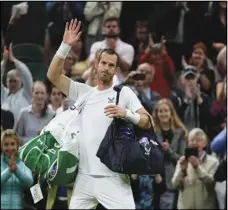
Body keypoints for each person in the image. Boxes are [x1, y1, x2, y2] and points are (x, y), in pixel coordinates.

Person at [47, 18, 151, 209]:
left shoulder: (124, 93)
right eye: (103, 63)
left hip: (114, 178)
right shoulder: (83, 92)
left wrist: (126, 113)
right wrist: (65, 45)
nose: (106, 67)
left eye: (111, 65)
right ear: (96, 64)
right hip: (84, 178)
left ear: (115, 70)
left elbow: (147, 121)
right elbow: (53, 76)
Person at [152, 99, 188, 209]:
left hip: (174, 178)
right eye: (160, 111)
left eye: (166, 111)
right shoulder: (151, 132)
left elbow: (183, 158)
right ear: (156, 114)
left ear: (171, 113)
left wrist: (168, 151)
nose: (163, 114)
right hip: (155, 178)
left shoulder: (180, 132)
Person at [171, 128, 219, 209]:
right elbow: (174, 185)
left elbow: (212, 185)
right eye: (192, 140)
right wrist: (182, 172)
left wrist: (197, 167)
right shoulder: (182, 161)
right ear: (188, 143)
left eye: (198, 140)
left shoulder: (213, 162)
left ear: (205, 143)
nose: (194, 143)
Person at [1, 129, 34, 209]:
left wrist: (16, 170)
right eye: (6, 144)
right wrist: (9, 171)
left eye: (12, 144)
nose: (10, 147)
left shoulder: (24, 162)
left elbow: (29, 183)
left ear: (17, 145)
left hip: (19, 206)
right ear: (2, 146)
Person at [1, 44, 33, 125]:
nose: (12, 84)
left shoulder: (26, 93)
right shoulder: (3, 94)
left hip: (22, 133)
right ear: (6, 82)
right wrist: (4, 62)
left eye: (14, 81)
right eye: (10, 81)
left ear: (21, 81)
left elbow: (27, 75)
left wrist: (13, 60)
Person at [15, 81, 55, 146]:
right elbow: (17, 138)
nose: (39, 96)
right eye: (36, 93)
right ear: (32, 94)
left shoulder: (52, 115)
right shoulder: (23, 113)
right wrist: (35, 140)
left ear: (46, 95)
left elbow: (54, 139)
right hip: (27, 152)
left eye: (42, 93)